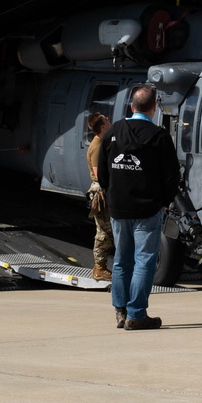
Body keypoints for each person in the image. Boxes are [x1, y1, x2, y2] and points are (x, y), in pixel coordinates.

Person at [96, 84, 180, 331]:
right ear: (154, 108)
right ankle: (137, 314)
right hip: (147, 209)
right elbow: (172, 175)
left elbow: (102, 172)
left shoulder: (113, 132)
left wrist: (112, 193)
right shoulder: (159, 136)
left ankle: (120, 311)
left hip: (119, 208)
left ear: (132, 106)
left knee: (122, 259)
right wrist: (165, 201)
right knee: (144, 260)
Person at [85, 111, 114, 281]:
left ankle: (100, 266)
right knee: (104, 231)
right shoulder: (97, 147)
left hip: (105, 190)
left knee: (107, 230)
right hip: (101, 192)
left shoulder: (103, 143)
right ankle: (99, 268)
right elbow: (99, 174)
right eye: (106, 119)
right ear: (103, 126)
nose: (109, 119)